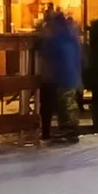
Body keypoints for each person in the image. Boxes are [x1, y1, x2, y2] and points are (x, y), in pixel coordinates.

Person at [35, 8, 83, 144]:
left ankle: (57, 131)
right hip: (71, 76)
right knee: (68, 103)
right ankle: (71, 129)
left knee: (57, 103)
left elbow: (46, 53)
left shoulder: (54, 39)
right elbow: (79, 57)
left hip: (57, 76)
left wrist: (40, 41)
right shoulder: (71, 37)